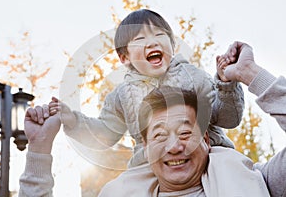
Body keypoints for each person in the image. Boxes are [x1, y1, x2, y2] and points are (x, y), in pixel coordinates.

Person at [19, 41, 285, 196]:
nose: (174, 146)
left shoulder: (257, 181)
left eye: (184, 133)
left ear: (206, 139)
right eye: (159, 135)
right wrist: (39, 148)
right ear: (145, 148)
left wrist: (250, 74)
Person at [48, 9, 243, 193]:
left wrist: (226, 84)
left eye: (159, 35)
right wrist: (73, 120)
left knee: (235, 170)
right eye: (140, 39)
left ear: (173, 46)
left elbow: (227, 118)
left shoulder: (193, 76)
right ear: (125, 57)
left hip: (207, 157)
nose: (152, 43)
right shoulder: (122, 95)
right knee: (117, 190)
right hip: (149, 165)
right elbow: (105, 134)